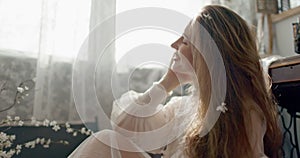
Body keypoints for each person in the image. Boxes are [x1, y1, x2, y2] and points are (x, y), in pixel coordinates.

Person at [69, 5, 282, 158]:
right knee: (105, 140)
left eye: (185, 41)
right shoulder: (183, 108)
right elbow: (124, 127)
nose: (173, 45)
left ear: (207, 54)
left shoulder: (246, 113)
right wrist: (166, 83)